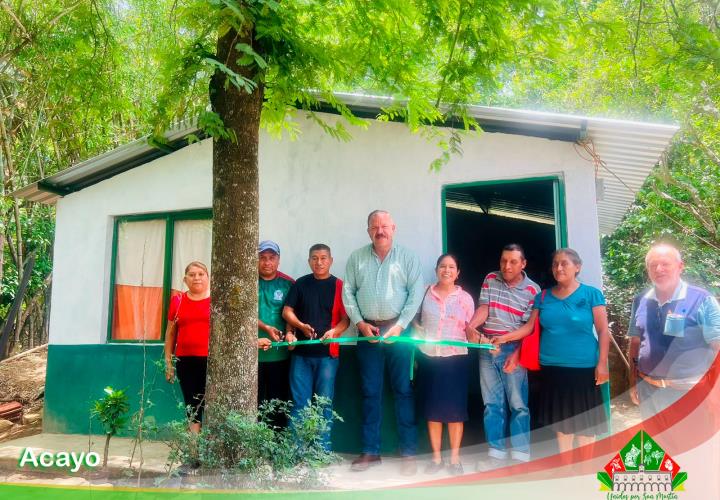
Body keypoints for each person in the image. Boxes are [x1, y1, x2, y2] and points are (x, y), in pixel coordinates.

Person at [492, 248, 609, 457]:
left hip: (584, 368)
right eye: (555, 264)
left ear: (577, 267)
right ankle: (566, 468)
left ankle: (584, 470)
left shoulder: (591, 294)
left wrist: (602, 363)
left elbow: (602, 330)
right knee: (562, 422)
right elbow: (529, 328)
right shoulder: (543, 296)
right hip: (553, 369)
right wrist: (505, 338)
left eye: (564, 263)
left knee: (585, 423)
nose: (559, 267)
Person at [342, 210, 424, 475]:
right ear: (368, 231)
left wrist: (400, 325)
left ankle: (408, 453)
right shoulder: (356, 258)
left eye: (385, 226)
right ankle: (370, 451)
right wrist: (360, 323)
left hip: (399, 334)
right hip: (367, 333)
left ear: (394, 228)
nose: (380, 230)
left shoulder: (408, 258)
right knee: (370, 392)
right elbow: (348, 294)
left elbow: (415, 294)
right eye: (375, 226)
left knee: (403, 390)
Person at [628, 243, 720, 426]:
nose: (658, 269)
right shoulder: (640, 300)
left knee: (691, 451)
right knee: (656, 449)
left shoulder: (702, 299)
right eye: (653, 265)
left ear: (680, 266)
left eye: (665, 264)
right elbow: (635, 343)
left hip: (690, 393)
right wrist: (633, 382)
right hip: (648, 392)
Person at [465, 244, 539, 470]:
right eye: (503, 261)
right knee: (492, 404)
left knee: (518, 405)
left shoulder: (533, 290)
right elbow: (484, 309)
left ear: (523, 264)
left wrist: (510, 346)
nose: (506, 266)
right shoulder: (490, 278)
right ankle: (495, 455)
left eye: (513, 262)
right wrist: (470, 325)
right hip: (487, 347)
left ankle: (520, 456)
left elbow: (529, 328)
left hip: (513, 348)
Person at [282, 244, 350, 450]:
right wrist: (299, 326)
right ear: (309, 261)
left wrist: (334, 332)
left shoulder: (340, 286)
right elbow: (287, 311)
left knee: (324, 405)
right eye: (314, 258)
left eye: (323, 258)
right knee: (299, 404)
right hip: (301, 355)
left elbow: (346, 319)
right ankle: (296, 450)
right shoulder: (300, 284)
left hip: (328, 356)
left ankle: (322, 451)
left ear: (330, 260)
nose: (319, 262)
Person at [415, 254, 474, 475]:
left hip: (455, 359)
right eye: (442, 266)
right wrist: (416, 327)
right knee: (433, 410)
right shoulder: (424, 293)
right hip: (430, 357)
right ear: (436, 269)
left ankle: (454, 460)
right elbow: (415, 316)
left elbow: (470, 327)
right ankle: (437, 459)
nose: (446, 270)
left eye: (451, 267)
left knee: (455, 411)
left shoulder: (465, 298)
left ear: (458, 272)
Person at [164, 261, 211, 434]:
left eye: (200, 274)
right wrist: (168, 362)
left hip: (211, 360)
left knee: (210, 402)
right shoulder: (178, 301)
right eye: (192, 275)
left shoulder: (216, 300)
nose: (196, 278)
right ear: (185, 279)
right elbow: (169, 334)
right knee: (192, 403)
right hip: (185, 360)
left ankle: (210, 449)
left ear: (208, 277)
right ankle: (194, 449)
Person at [257, 240, 294, 427]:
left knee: (278, 402)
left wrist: (289, 332)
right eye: (262, 258)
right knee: (253, 403)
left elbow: (292, 315)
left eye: (272, 258)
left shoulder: (288, 283)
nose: (267, 262)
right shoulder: (247, 282)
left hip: (279, 355)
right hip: (251, 356)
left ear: (278, 260)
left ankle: (276, 447)